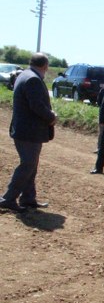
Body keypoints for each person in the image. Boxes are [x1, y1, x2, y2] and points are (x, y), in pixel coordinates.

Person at [0, 53, 57, 213]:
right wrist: (51, 117)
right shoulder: (33, 79)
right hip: (29, 131)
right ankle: (8, 199)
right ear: (45, 66)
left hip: (24, 129)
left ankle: (28, 198)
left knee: (31, 164)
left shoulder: (24, 75)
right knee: (28, 164)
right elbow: (36, 106)